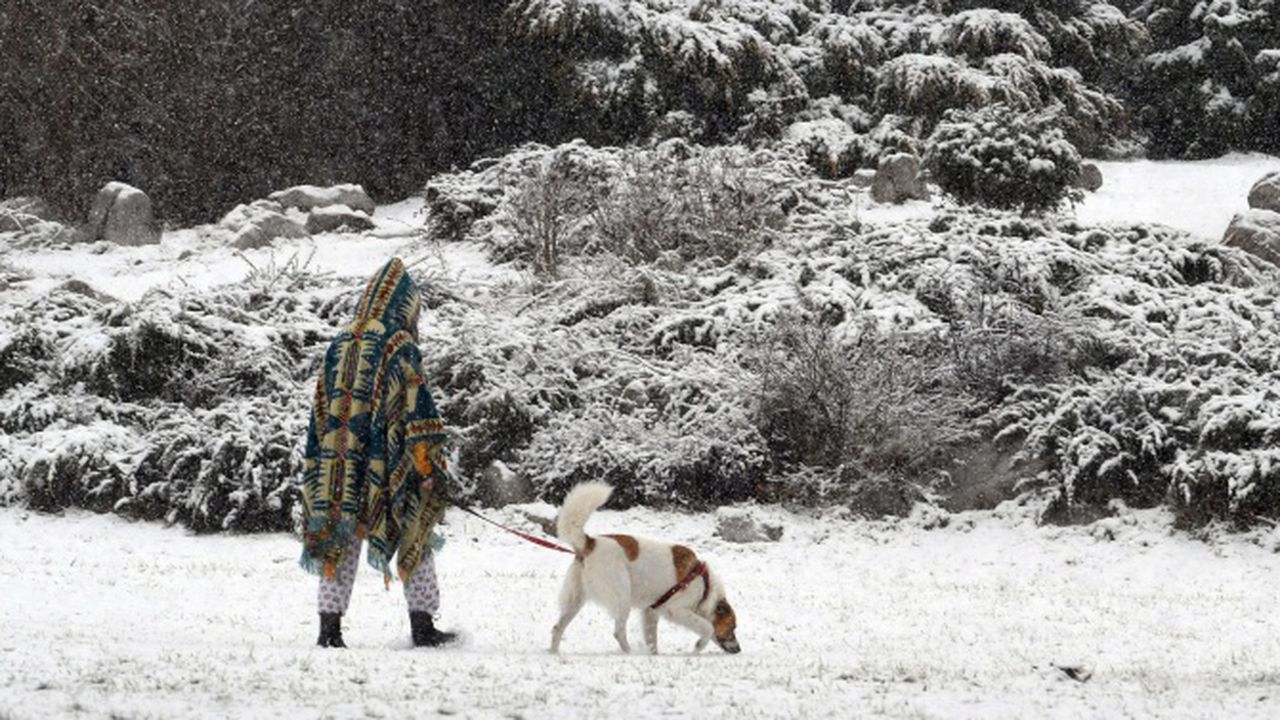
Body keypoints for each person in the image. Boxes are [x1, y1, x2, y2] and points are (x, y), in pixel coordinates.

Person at [299, 257, 456, 648]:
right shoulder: (400, 345)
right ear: (404, 305)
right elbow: (416, 408)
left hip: (338, 464)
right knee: (413, 531)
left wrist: (320, 459)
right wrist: (427, 465)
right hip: (388, 462)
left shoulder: (339, 344)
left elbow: (321, 407)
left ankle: (329, 630)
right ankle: (423, 626)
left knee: (340, 540)